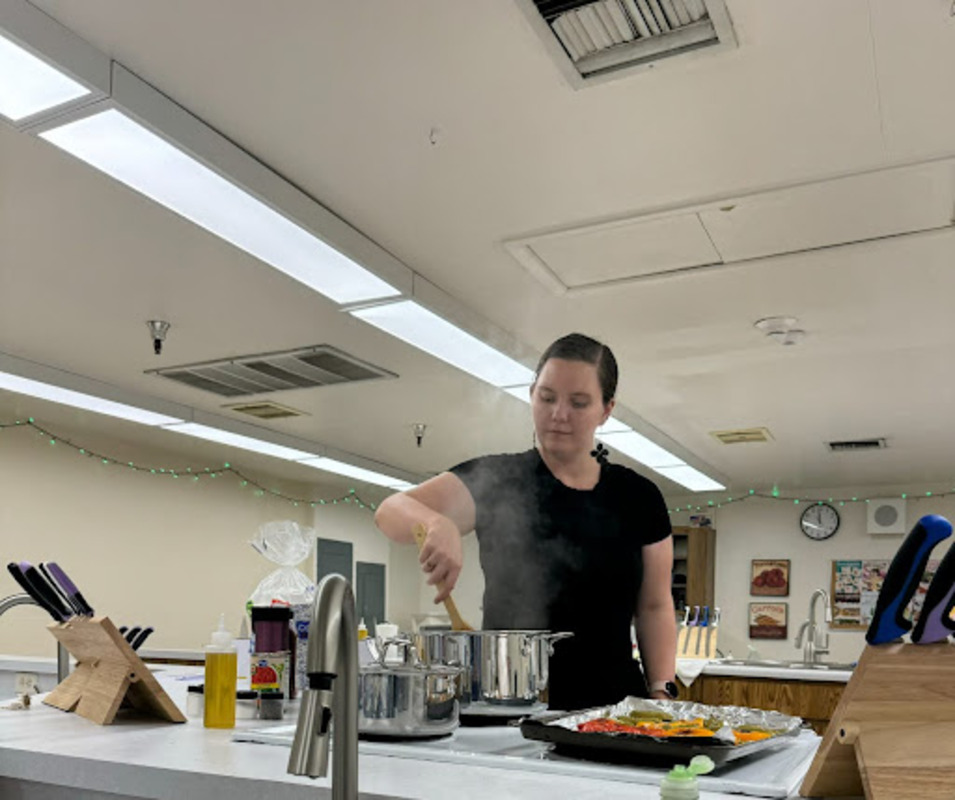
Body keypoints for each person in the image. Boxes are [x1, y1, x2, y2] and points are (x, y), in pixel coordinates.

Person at [374, 333, 677, 710]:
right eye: (547, 397)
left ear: (606, 410)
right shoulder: (498, 478)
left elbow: (654, 606)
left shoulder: (639, 497)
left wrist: (662, 690)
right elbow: (390, 510)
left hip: (615, 710)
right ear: (532, 393)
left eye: (578, 403)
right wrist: (437, 522)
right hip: (511, 709)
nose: (558, 414)